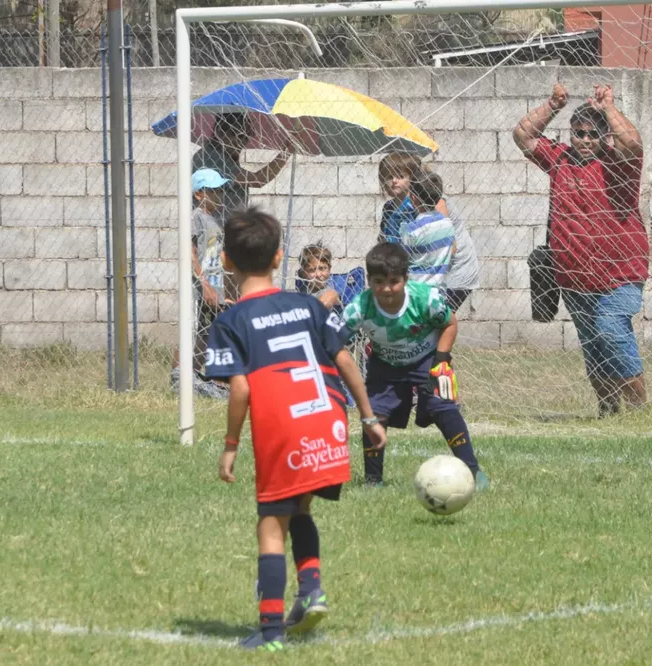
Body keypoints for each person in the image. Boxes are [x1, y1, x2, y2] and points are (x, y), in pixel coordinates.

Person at [205, 207, 387, 651]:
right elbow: (345, 360)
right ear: (279, 258)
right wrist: (368, 417)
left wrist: (230, 446)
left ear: (226, 261)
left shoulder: (230, 321)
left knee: (270, 525)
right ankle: (311, 591)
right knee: (300, 509)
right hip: (329, 418)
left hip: (284, 427)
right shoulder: (307, 304)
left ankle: (269, 634)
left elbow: (242, 390)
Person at [513, 82, 649, 417]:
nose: (585, 140)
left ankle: (640, 410)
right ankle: (608, 411)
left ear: (604, 137)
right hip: (574, 277)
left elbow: (632, 142)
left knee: (610, 330)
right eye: (579, 133)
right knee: (593, 344)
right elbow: (523, 136)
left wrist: (609, 109)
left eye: (592, 134)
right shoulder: (560, 160)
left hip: (619, 273)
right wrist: (553, 105)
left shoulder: (620, 165)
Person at [341, 242, 489, 490]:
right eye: (378, 281)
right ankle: (373, 481)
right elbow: (336, 341)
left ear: (405, 279)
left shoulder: (425, 299)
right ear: (369, 281)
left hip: (427, 360)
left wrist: (441, 360)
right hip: (384, 365)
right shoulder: (359, 308)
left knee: (445, 408)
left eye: (394, 281)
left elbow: (450, 324)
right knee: (374, 415)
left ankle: (472, 471)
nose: (386, 289)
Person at [377, 154, 480, 312]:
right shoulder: (389, 209)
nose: (394, 181)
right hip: (418, 276)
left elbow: (448, 245)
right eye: (389, 176)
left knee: (436, 323)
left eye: (400, 176)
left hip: (450, 271)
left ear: (413, 178)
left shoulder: (432, 200)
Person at [170, 169, 231, 399]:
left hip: (215, 288)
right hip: (199, 288)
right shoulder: (195, 218)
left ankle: (198, 376)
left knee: (209, 334)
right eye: (214, 191)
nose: (220, 195)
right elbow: (191, 252)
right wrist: (204, 284)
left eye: (221, 189)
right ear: (199, 194)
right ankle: (178, 376)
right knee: (191, 330)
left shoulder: (216, 219)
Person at [192, 112, 292, 223]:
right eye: (240, 136)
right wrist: (287, 151)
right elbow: (258, 179)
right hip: (213, 230)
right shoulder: (212, 157)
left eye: (248, 136)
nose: (244, 143)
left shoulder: (224, 155)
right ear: (220, 132)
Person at [295, 242, 341, 311]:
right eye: (312, 270)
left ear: (329, 269)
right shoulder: (301, 292)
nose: (318, 274)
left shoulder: (330, 294)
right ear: (304, 273)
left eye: (322, 268)